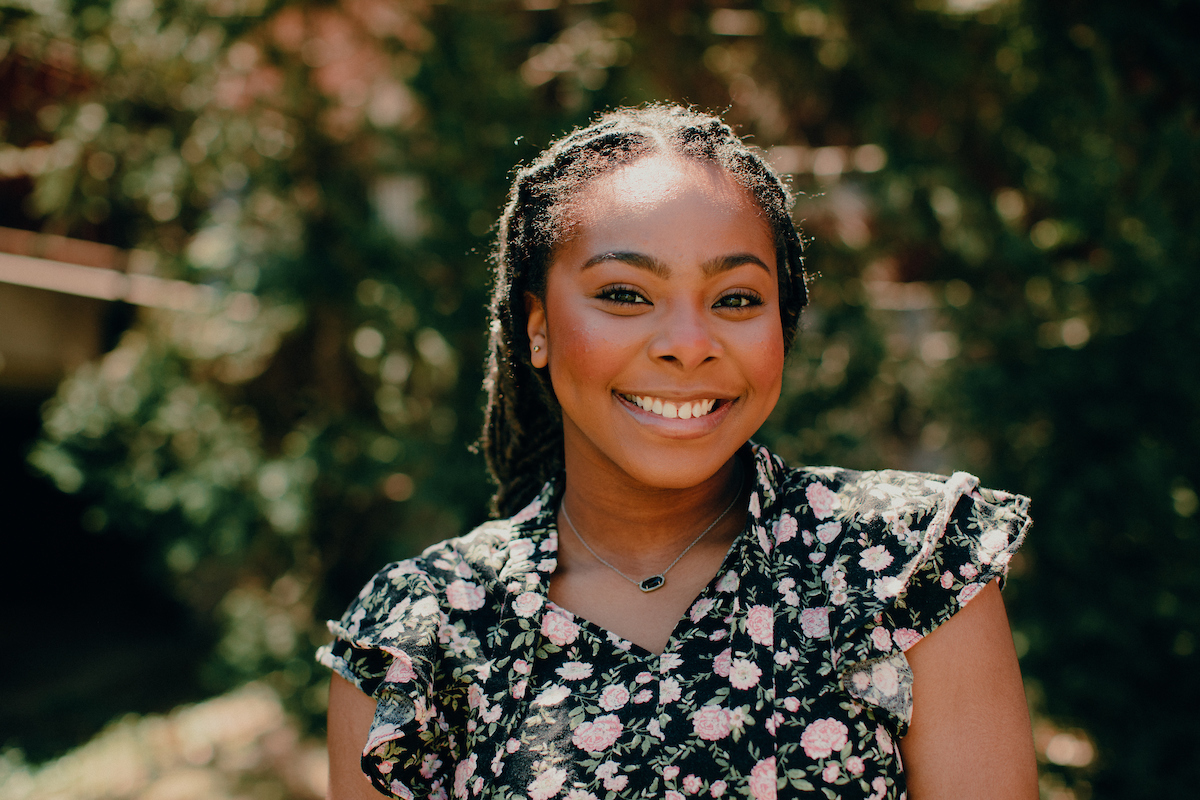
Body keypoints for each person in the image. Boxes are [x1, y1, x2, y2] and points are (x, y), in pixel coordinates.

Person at [320, 105, 1038, 800]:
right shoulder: (419, 638)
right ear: (536, 327)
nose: (689, 344)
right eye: (627, 293)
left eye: (734, 299)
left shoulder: (908, 568)